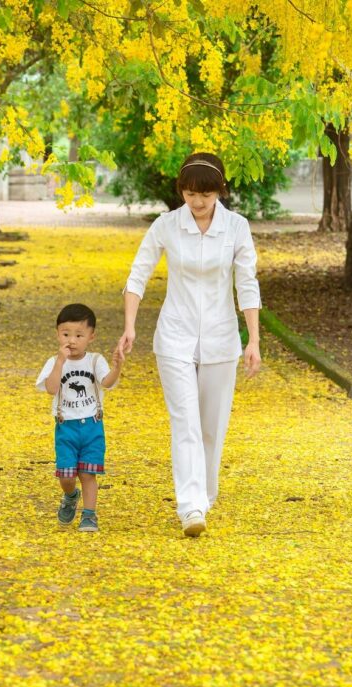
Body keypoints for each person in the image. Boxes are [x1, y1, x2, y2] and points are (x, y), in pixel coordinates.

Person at [118, 152, 262, 537]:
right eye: (190, 193)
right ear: (181, 190)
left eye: (206, 194)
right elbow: (138, 274)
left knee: (212, 427)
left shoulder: (236, 227)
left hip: (221, 337)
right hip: (175, 336)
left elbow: (247, 283)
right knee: (185, 422)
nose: (197, 202)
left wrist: (254, 341)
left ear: (219, 191)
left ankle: (205, 495)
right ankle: (190, 506)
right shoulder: (166, 225)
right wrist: (130, 325)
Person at [36, 303, 124, 532]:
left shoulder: (96, 360)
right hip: (66, 427)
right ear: (57, 334)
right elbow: (52, 389)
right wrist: (59, 362)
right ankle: (70, 495)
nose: (71, 341)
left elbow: (107, 383)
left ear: (91, 336)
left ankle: (89, 515)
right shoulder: (53, 362)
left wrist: (117, 367)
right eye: (66, 334)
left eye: (78, 335)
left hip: (92, 426)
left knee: (88, 473)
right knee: (66, 475)